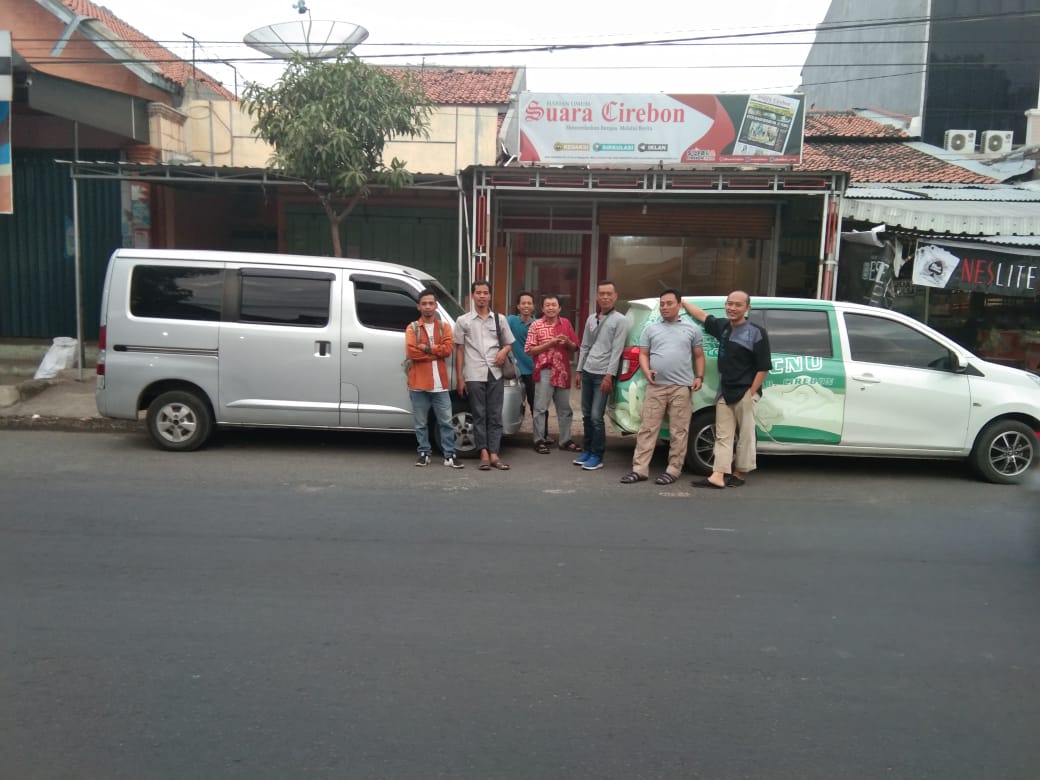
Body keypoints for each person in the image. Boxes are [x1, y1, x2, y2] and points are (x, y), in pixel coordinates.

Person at [682, 291, 772, 489]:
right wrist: (683, 302)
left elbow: (763, 367)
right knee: (723, 435)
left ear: (747, 308)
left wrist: (750, 392)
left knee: (746, 435)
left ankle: (740, 473)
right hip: (725, 391)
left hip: (746, 392)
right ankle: (717, 475)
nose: (732, 308)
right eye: (729, 304)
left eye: (738, 305)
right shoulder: (723, 327)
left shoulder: (756, 332)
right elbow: (702, 316)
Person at [620, 289, 705, 486]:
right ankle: (639, 469)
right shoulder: (651, 329)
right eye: (662, 304)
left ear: (679, 305)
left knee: (679, 431)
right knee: (647, 429)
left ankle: (673, 469)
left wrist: (699, 376)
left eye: (669, 303)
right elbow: (643, 354)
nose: (665, 307)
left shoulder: (692, 329)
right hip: (656, 386)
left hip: (681, 387)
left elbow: (699, 355)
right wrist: (647, 370)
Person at [454, 280, 514, 471]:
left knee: (495, 415)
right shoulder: (463, 321)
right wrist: (460, 378)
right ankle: (484, 453)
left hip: (495, 373)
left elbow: (509, 343)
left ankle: (495, 453)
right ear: (472, 296)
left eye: (485, 293)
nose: (481, 296)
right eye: (478, 292)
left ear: (489, 296)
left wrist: (503, 352)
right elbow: (460, 351)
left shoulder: (499, 319)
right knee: (479, 414)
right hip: (474, 373)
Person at [405, 288, 464, 468]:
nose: (428, 307)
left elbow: (447, 350)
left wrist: (427, 348)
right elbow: (412, 352)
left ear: (436, 305)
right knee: (421, 422)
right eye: (424, 304)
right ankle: (424, 452)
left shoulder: (444, 327)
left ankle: (450, 454)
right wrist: (435, 352)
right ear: (418, 307)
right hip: (418, 383)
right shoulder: (412, 327)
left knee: (446, 422)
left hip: (440, 384)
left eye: (431, 303)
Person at [573, 280, 628, 471]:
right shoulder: (591, 318)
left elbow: (617, 351)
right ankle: (587, 450)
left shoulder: (620, 320)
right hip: (588, 371)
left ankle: (597, 454)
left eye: (608, 294)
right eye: (601, 294)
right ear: (597, 296)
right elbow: (585, 346)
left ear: (615, 296)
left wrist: (609, 376)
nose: (605, 297)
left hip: (602, 375)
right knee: (587, 415)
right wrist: (579, 370)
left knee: (597, 416)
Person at [524, 294, 579, 454]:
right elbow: (528, 349)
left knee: (564, 409)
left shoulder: (566, 323)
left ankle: (565, 440)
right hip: (544, 371)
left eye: (553, 305)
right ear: (542, 308)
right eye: (547, 305)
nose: (550, 308)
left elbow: (575, 347)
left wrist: (567, 343)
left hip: (562, 371)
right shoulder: (536, 325)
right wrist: (550, 343)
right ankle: (539, 440)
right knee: (540, 408)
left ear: (559, 308)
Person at [507, 291, 541, 434]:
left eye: (529, 303)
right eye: (523, 303)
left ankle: (540, 436)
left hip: (533, 371)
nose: (526, 306)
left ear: (533, 306)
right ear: (518, 306)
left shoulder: (538, 325)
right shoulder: (510, 321)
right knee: (514, 406)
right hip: (515, 372)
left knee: (537, 406)